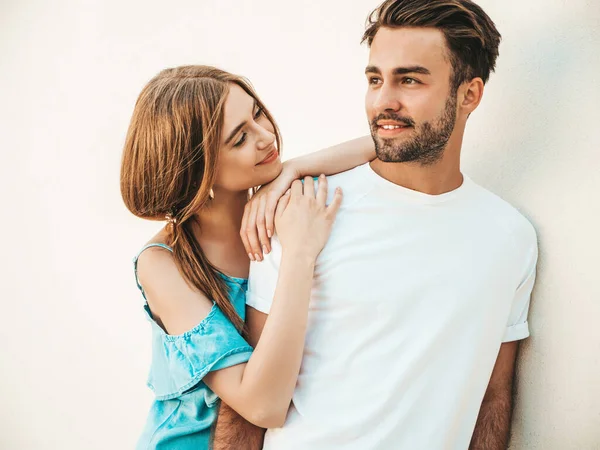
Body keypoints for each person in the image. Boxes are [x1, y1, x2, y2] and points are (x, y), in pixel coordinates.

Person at [218, 1, 538, 449]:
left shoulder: (511, 238)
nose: (384, 101)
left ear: (470, 94)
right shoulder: (302, 210)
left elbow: (493, 396)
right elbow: (247, 410)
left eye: (409, 80)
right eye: (375, 79)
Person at [120, 65, 376, 449]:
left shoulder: (277, 202)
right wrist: (299, 256)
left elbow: (384, 145)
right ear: (196, 167)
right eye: (239, 138)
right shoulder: (162, 264)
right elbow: (264, 405)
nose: (265, 136)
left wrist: (294, 168)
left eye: (257, 113)